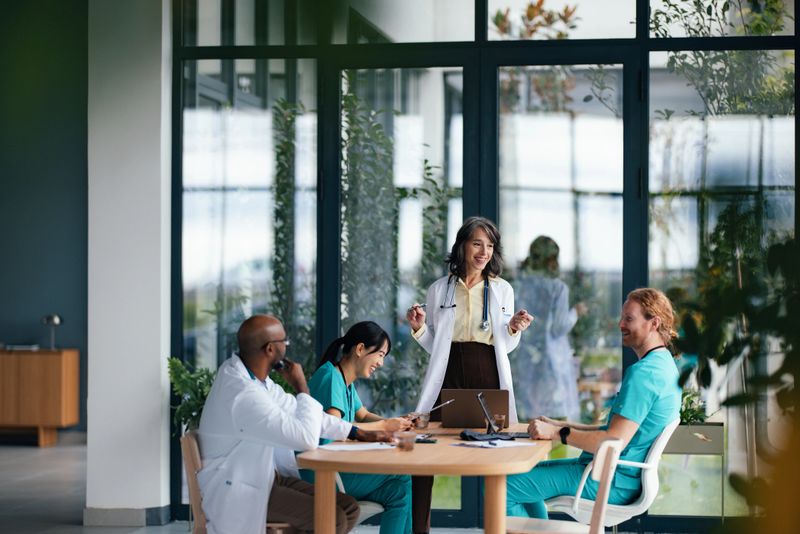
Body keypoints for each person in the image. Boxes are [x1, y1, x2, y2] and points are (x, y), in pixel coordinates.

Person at [197, 314, 391, 534]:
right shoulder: (242, 394)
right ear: (270, 349)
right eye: (284, 342)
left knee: (348, 507)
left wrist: (356, 432)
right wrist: (302, 387)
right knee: (333, 518)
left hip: (261, 475)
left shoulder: (256, 380)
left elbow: (294, 408)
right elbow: (306, 438)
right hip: (237, 489)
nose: (287, 346)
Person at [405, 216, 534, 533]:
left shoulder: (502, 290)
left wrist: (514, 329)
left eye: (490, 246)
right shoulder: (439, 290)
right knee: (424, 450)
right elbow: (437, 348)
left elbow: (504, 344)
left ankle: (498, 527)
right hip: (448, 372)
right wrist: (419, 328)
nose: (484, 251)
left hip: (486, 371)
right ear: (462, 245)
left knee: (497, 454)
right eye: (477, 243)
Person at [505, 288, 681, 519]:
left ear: (654, 323)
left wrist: (559, 433)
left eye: (629, 318)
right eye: (622, 317)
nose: (621, 324)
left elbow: (611, 441)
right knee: (523, 475)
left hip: (608, 480)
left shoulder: (645, 374)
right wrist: (559, 425)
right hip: (617, 476)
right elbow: (615, 431)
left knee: (503, 486)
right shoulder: (664, 364)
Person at [303, 321, 414, 534]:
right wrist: (384, 425)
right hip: (325, 474)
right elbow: (336, 430)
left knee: (399, 490)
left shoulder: (344, 381)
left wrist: (398, 423)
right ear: (361, 349)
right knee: (402, 476)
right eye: (380, 354)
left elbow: (362, 415)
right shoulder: (330, 377)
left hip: (337, 467)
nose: (381, 363)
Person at [514, 235, 587, 421]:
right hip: (552, 360)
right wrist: (576, 313)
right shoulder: (557, 288)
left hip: (524, 357)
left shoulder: (520, 286)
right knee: (553, 420)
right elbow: (558, 328)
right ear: (552, 259)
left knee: (525, 416)